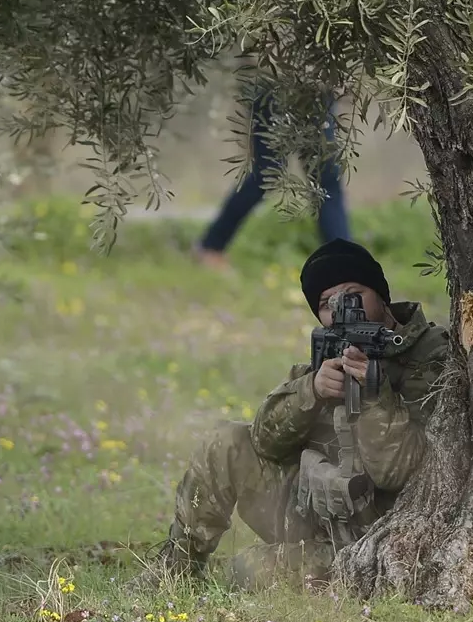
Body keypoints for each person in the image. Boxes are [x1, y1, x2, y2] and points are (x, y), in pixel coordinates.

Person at [143, 238, 451, 590]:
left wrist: (373, 393)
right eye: (326, 303)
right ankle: (174, 572)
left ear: (381, 294)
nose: (342, 310)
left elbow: (399, 472)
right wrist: (313, 391)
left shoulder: (433, 359)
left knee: (247, 571)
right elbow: (264, 441)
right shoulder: (327, 353)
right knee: (225, 441)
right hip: (313, 512)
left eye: (354, 293)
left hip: (375, 537)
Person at [194, 84, 352, 271]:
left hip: (315, 87)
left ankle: (346, 261)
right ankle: (211, 246)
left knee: (326, 177)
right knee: (268, 173)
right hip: (275, 83)